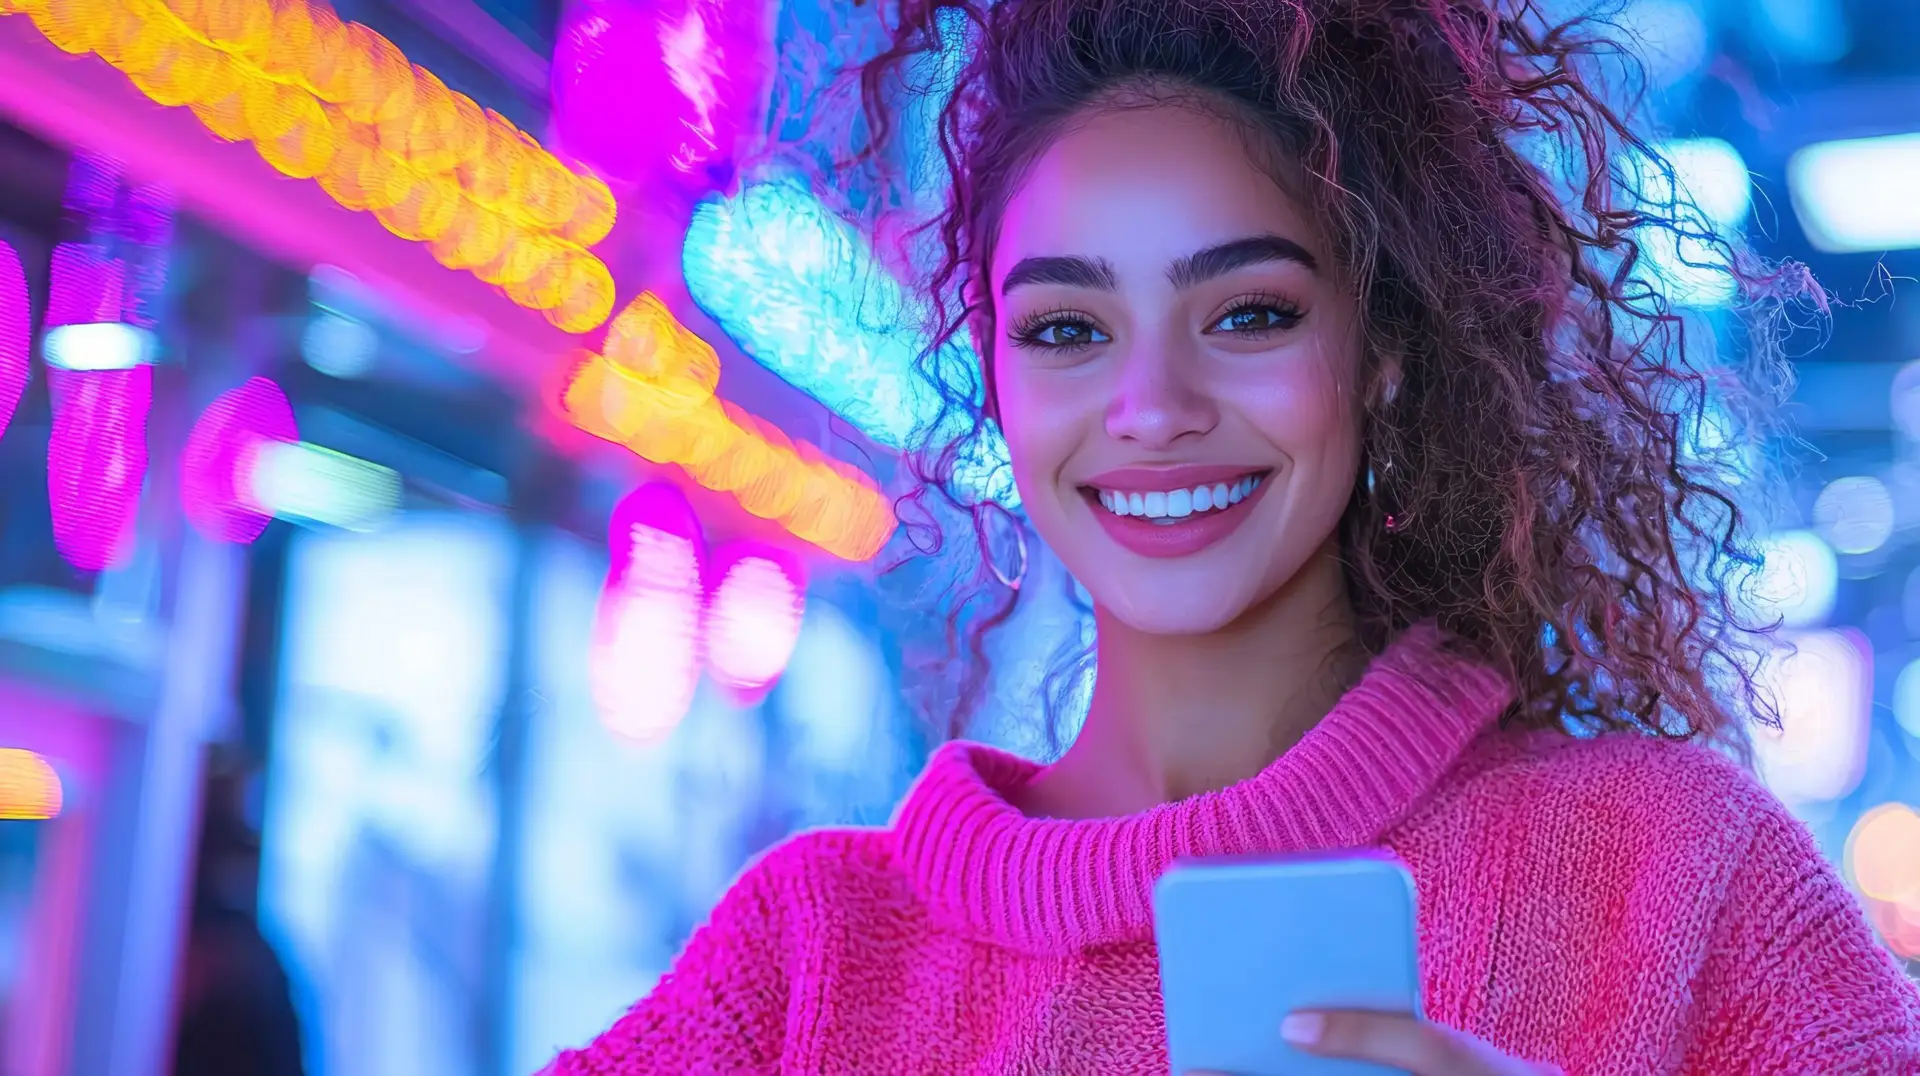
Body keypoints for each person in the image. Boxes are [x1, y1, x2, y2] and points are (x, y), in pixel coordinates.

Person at [546, 0, 1920, 1072]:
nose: (1151, 408)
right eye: (1069, 331)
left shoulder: (1677, 877)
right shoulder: (809, 964)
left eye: (1248, 312)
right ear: (999, 377)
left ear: (1379, 349)